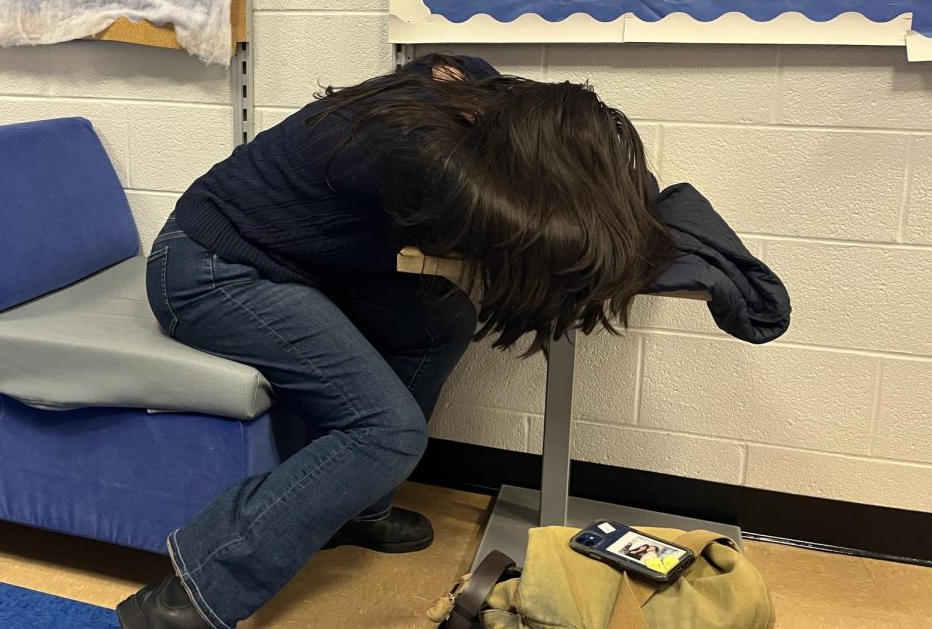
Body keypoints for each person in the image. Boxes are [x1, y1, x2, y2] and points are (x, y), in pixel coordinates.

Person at [117, 54, 677, 629]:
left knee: (441, 321)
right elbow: (538, 241)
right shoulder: (418, 151)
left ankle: (356, 508)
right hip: (209, 265)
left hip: (294, 260)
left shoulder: (472, 88)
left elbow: (594, 186)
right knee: (388, 432)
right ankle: (187, 597)